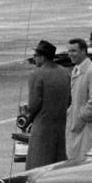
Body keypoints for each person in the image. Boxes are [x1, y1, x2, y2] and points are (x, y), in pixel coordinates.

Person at [23, 39, 70, 168]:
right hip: (60, 125)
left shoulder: (36, 74)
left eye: (36, 56)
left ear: (42, 57)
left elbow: (34, 104)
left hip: (42, 127)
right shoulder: (65, 72)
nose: (34, 58)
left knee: (38, 163)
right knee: (57, 163)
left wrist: (28, 119)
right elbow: (69, 99)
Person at [65, 38, 92, 160]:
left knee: (86, 159)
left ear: (83, 51)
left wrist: (80, 117)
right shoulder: (76, 70)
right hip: (78, 128)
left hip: (88, 128)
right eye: (69, 51)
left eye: (74, 51)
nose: (70, 54)